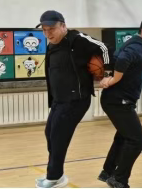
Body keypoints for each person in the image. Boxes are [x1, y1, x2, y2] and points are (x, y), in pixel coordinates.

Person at [37, 10, 109, 189]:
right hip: (59, 99)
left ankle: (55, 177)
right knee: (50, 134)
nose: (48, 33)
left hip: (76, 99)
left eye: (51, 29)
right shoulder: (52, 45)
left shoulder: (78, 39)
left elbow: (104, 48)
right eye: (44, 30)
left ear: (63, 25)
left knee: (58, 137)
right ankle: (55, 172)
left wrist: (108, 73)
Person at [99, 15, 142, 189]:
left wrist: (110, 77)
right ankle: (119, 179)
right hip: (118, 101)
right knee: (137, 140)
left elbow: (116, 59)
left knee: (123, 136)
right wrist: (113, 80)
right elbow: (123, 59)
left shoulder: (136, 43)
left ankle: (108, 172)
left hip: (116, 99)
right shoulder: (138, 46)